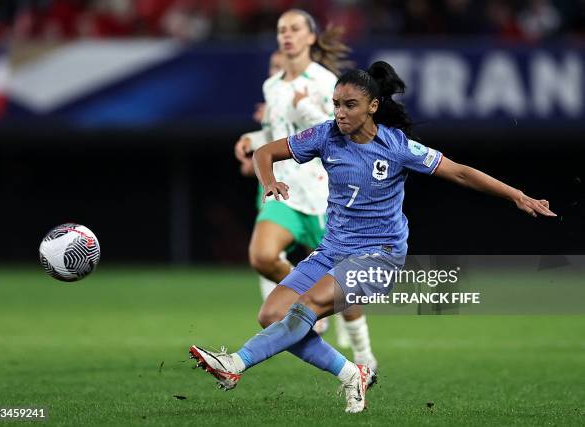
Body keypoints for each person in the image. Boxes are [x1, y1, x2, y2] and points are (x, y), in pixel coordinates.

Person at [190, 60, 556, 413]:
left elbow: (459, 172)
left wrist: (517, 196)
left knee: (307, 307)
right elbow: (266, 152)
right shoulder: (325, 135)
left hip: (380, 256)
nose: (340, 113)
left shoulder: (396, 146)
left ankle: (235, 363)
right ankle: (353, 373)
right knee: (272, 313)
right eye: (336, 104)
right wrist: (269, 181)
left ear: (373, 106)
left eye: (350, 105)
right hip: (333, 249)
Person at [233, 8, 376, 366]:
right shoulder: (273, 85)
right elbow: (276, 133)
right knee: (262, 257)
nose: (287, 34)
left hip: (326, 195)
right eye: (282, 29)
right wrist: (252, 140)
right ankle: (304, 300)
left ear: (311, 37)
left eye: (295, 28)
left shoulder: (327, 82)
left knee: (343, 288)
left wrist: (310, 113)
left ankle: (364, 355)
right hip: (287, 191)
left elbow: (345, 133)